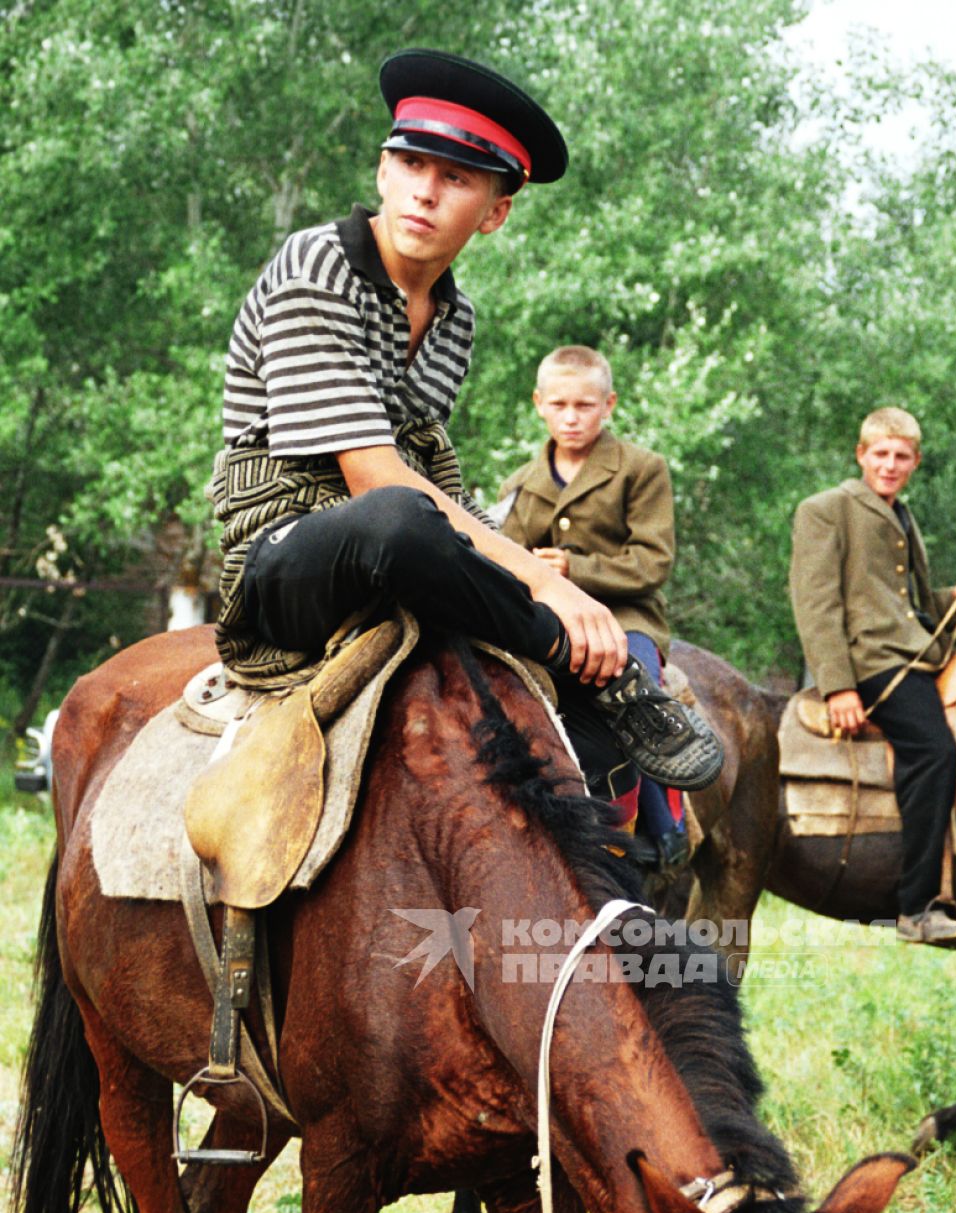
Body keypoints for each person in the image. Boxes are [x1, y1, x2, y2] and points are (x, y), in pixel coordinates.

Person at [206, 48, 723, 807]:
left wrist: (544, 580)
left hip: (397, 543)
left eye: (456, 179)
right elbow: (376, 478)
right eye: (412, 164)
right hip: (283, 563)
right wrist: (549, 590)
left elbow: (433, 474)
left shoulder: (455, 318)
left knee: (443, 536)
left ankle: (608, 836)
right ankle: (598, 683)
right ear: (383, 171)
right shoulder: (317, 265)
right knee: (399, 521)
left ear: (494, 212)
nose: (424, 192)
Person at [789, 406, 956, 948]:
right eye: (880, 454)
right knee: (935, 751)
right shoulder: (826, 510)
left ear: (916, 462)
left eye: (901, 456)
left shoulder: (902, 515)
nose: (890, 464)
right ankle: (916, 907)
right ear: (861, 455)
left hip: (911, 654)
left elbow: (908, 603)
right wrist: (838, 686)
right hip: (873, 664)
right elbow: (817, 604)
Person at [496, 345, 690, 864]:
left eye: (584, 406)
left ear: (609, 405)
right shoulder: (519, 485)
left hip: (626, 618)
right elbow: (504, 561)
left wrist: (573, 569)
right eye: (559, 405)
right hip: (547, 623)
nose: (571, 417)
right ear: (539, 403)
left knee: (631, 692)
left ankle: (662, 823)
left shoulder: (641, 470)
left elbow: (653, 561)